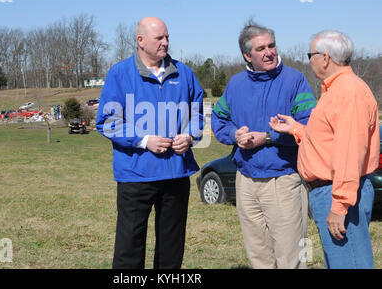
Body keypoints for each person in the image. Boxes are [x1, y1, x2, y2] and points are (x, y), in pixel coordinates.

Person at [96, 16, 204, 269]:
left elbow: (198, 113)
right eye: (159, 38)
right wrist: (144, 140)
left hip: (176, 173)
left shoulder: (184, 73)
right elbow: (108, 121)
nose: (165, 43)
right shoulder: (120, 74)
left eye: (167, 37)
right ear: (140, 40)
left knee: (172, 246)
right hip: (135, 175)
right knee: (129, 247)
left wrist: (189, 136)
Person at [269, 30, 379, 269]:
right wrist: (296, 129)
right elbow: (329, 141)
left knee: (349, 264)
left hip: (337, 193)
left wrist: (339, 206)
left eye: (311, 54)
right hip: (331, 191)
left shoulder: (348, 92)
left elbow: (350, 153)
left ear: (326, 57)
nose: (309, 60)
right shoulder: (336, 90)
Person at [211, 20, 316, 269]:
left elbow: (309, 126)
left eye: (272, 45)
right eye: (261, 49)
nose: (269, 52)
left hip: (283, 180)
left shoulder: (295, 81)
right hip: (246, 180)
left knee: (291, 257)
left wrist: (268, 137)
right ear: (247, 55)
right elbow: (219, 120)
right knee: (259, 256)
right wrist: (235, 135)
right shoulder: (236, 84)